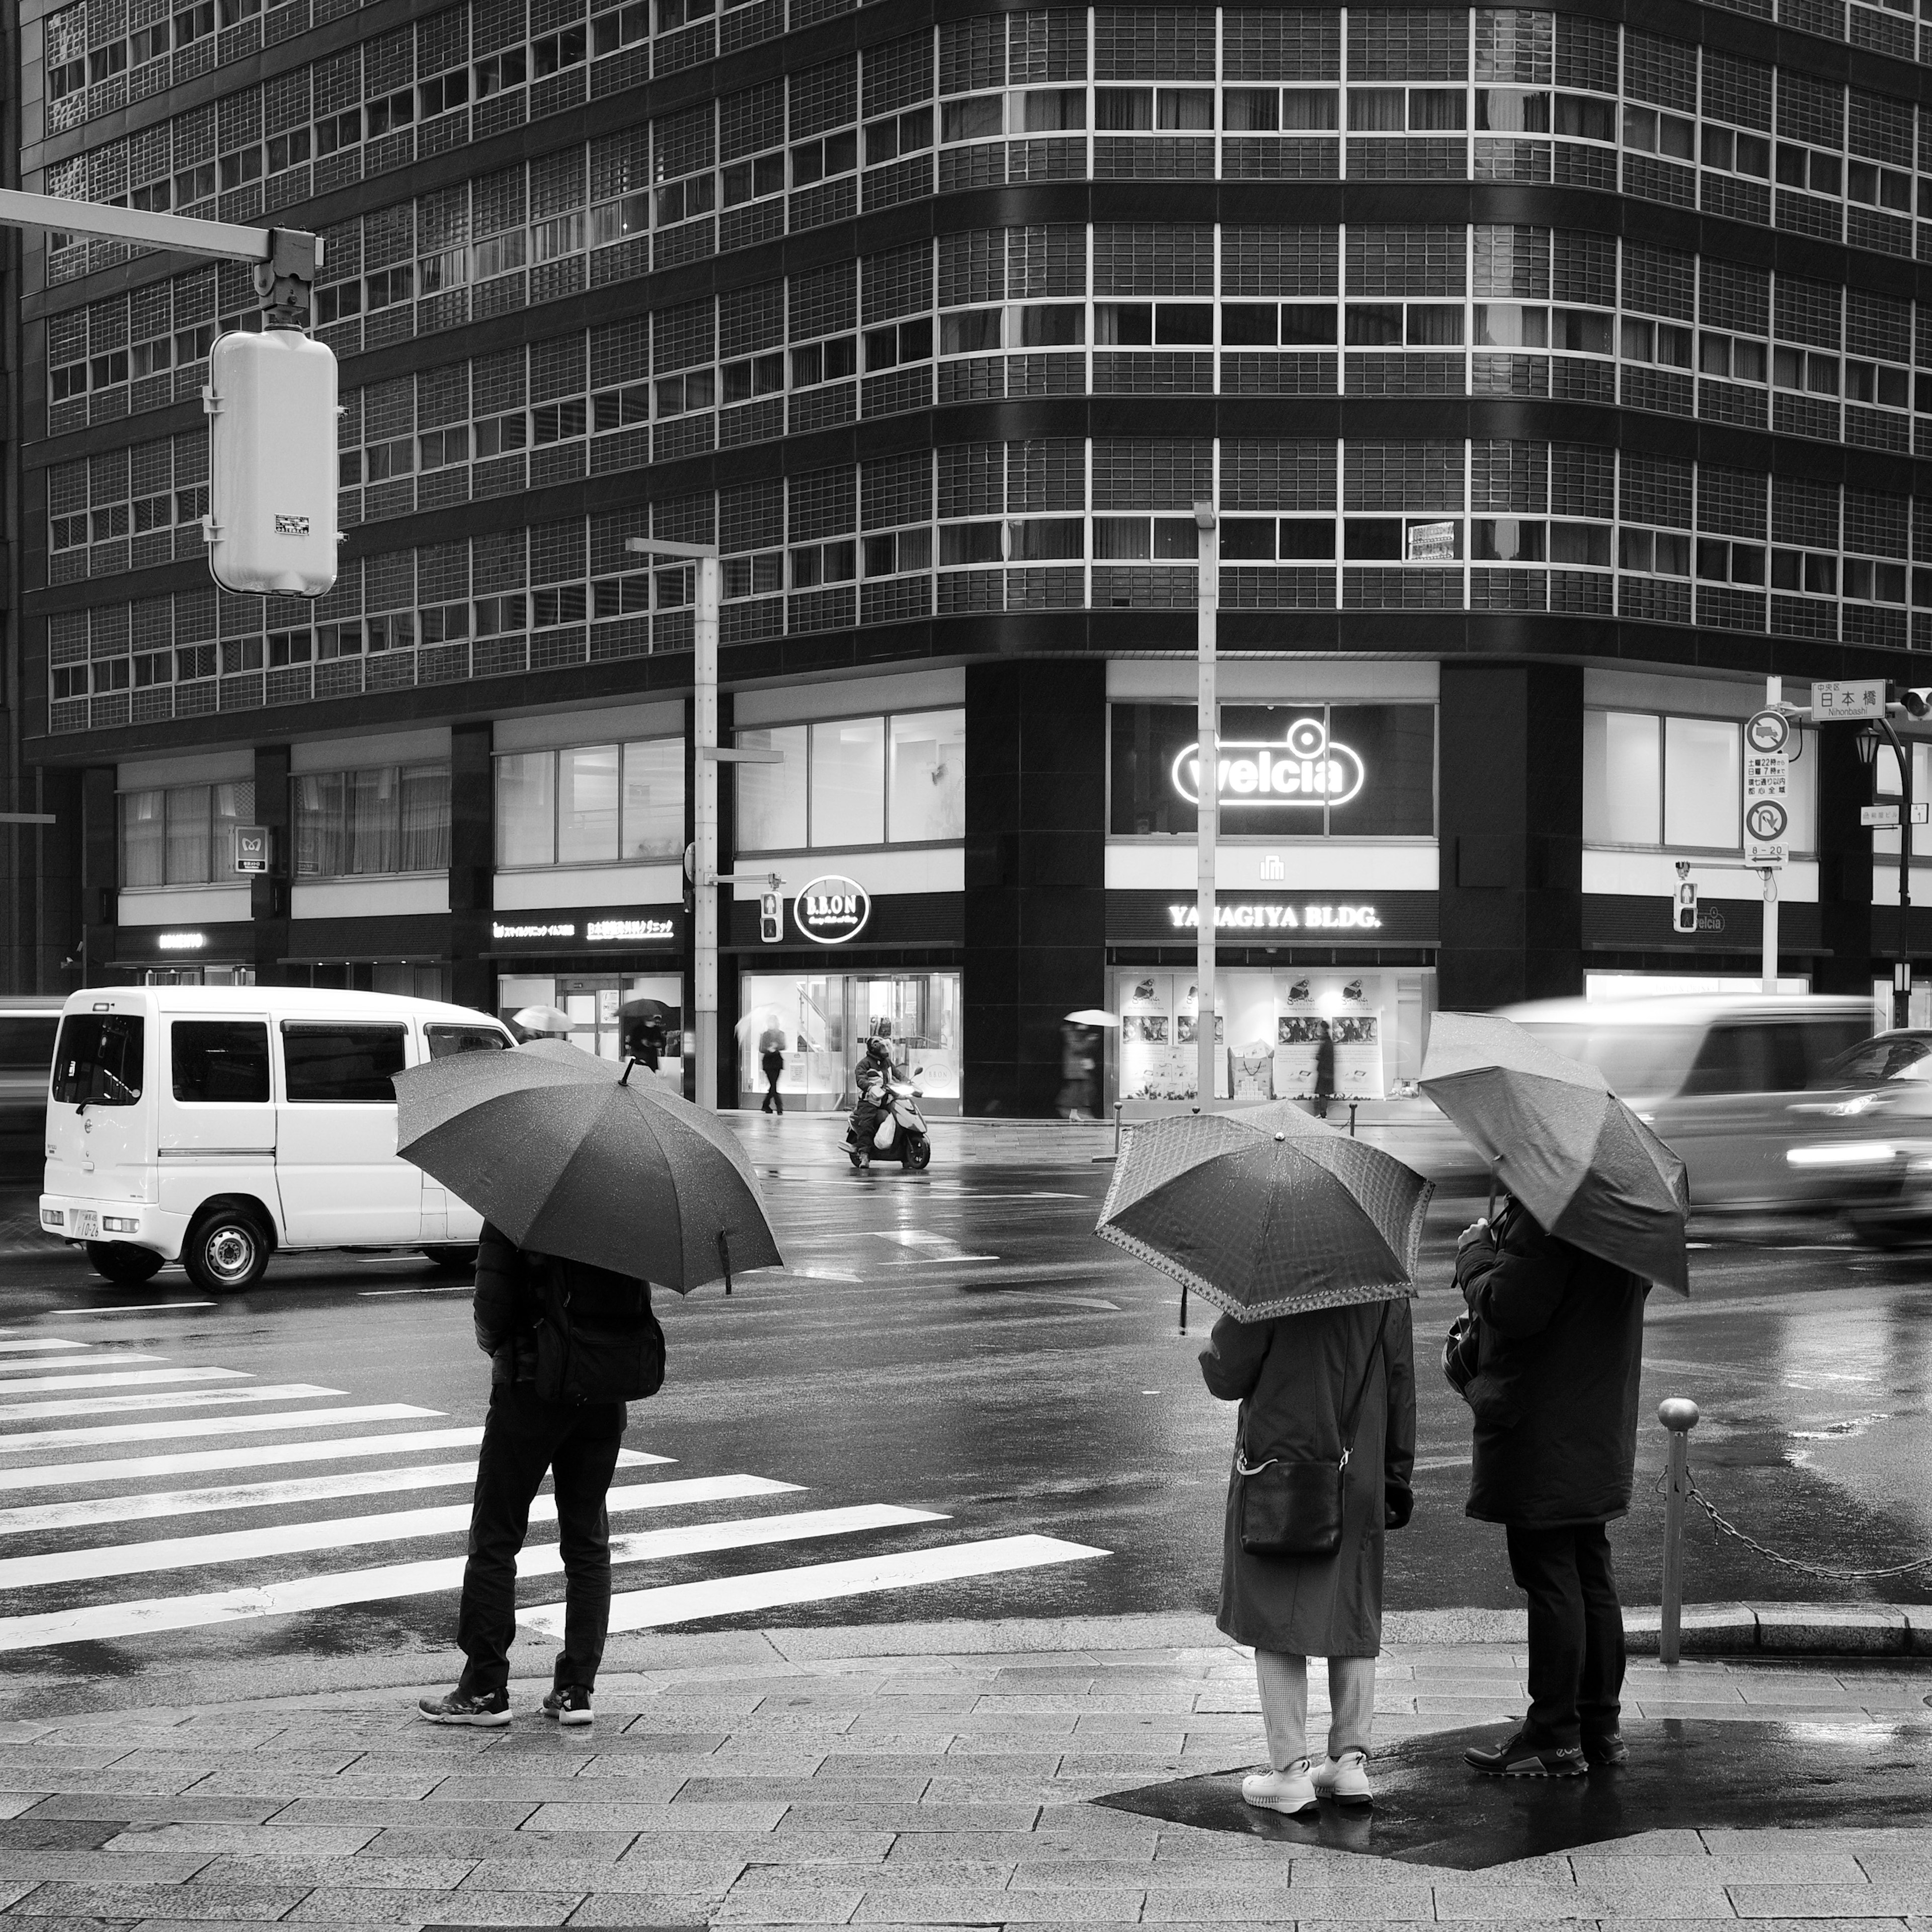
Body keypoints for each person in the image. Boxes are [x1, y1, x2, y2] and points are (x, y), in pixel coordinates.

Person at [417, 1220, 662, 1730]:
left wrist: (505, 1348)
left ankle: (485, 1687)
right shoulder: (626, 1210)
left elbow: (493, 1311)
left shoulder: (519, 1207)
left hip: (531, 1388)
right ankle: (576, 1689)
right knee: (587, 1541)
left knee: (496, 1536)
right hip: (601, 1389)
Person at [1454, 1196, 1649, 1777]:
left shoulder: (1551, 1213)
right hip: (1595, 1422)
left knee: (1551, 1576)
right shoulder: (1624, 1211)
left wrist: (1475, 1253)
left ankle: (1555, 1734)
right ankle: (1600, 1729)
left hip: (1543, 1427)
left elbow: (1512, 1306)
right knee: (1589, 1569)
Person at [1198, 1295, 1416, 1814]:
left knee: (1276, 1612)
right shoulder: (1383, 1282)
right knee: (1353, 1612)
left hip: (1284, 1469)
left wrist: (1217, 1337)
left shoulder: (1275, 1280)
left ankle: (1290, 1772)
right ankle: (1349, 1765)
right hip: (1358, 1466)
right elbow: (1401, 1382)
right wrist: (1396, 1474)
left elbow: (1225, 1374)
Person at [845, 1036, 895, 1154]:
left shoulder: (887, 1063)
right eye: (879, 1044)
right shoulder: (864, 1063)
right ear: (873, 1048)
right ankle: (864, 1153)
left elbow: (898, 1075)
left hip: (886, 1099)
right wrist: (870, 1087)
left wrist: (910, 1083)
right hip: (870, 1101)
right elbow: (861, 1080)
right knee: (867, 1124)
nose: (884, 1048)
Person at [759, 1024, 787, 1114]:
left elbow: (784, 1046)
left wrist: (776, 1046)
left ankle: (766, 1105)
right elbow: (761, 1049)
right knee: (774, 1084)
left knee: (773, 1085)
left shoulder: (781, 1034)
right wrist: (769, 1048)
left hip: (777, 1062)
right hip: (768, 1062)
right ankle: (779, 1106)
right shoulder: (765, 1035)